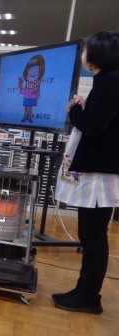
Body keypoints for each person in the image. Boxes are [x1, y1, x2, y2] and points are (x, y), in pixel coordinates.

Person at [52, 31, 119, 315]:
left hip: (100, 172)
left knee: (93, 236)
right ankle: (83, 290)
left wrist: (73, 111)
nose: (82, 55)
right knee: (90, 234)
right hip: (99, 169)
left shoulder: (111, 81)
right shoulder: (107, 81)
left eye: (85, 50)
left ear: (97, 54)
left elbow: (93, 126)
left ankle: (89, 297)